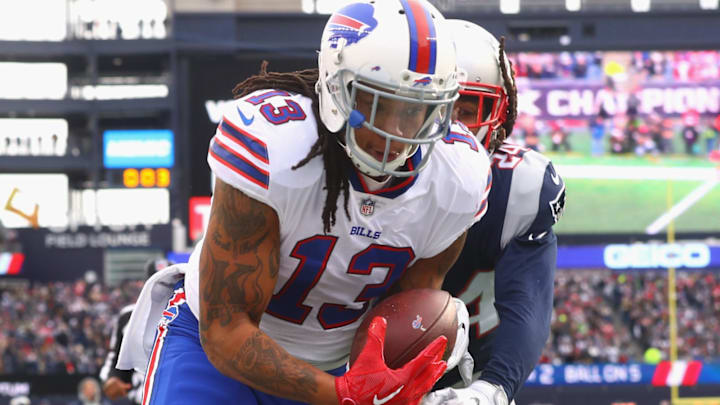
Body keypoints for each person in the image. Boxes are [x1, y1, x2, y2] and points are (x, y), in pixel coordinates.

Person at [118, 1, 491, 404]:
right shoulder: (276, 148)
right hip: (208, 354)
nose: (398, 131)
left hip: (332, 366)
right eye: (380, 104)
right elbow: (226, 329)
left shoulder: (458, 177)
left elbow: (408, 308)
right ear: (338, 88)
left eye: (417, 110)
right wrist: (340, 395)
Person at [423, 20, 566, 405]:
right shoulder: (351, 180)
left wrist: (492, 390)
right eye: (429, 107)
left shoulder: (519, 187)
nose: (445, 129)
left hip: (473, 372)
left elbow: (526, 303)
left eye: (464, 110)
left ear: (499, 117)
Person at [99, 259, 173, 404]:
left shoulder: (191, 312)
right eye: (157, 282)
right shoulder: (129, 315)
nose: (163, 289)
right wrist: (111, 379)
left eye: (168, 282)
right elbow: (116, 356)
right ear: (147, 284)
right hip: (140, 397)